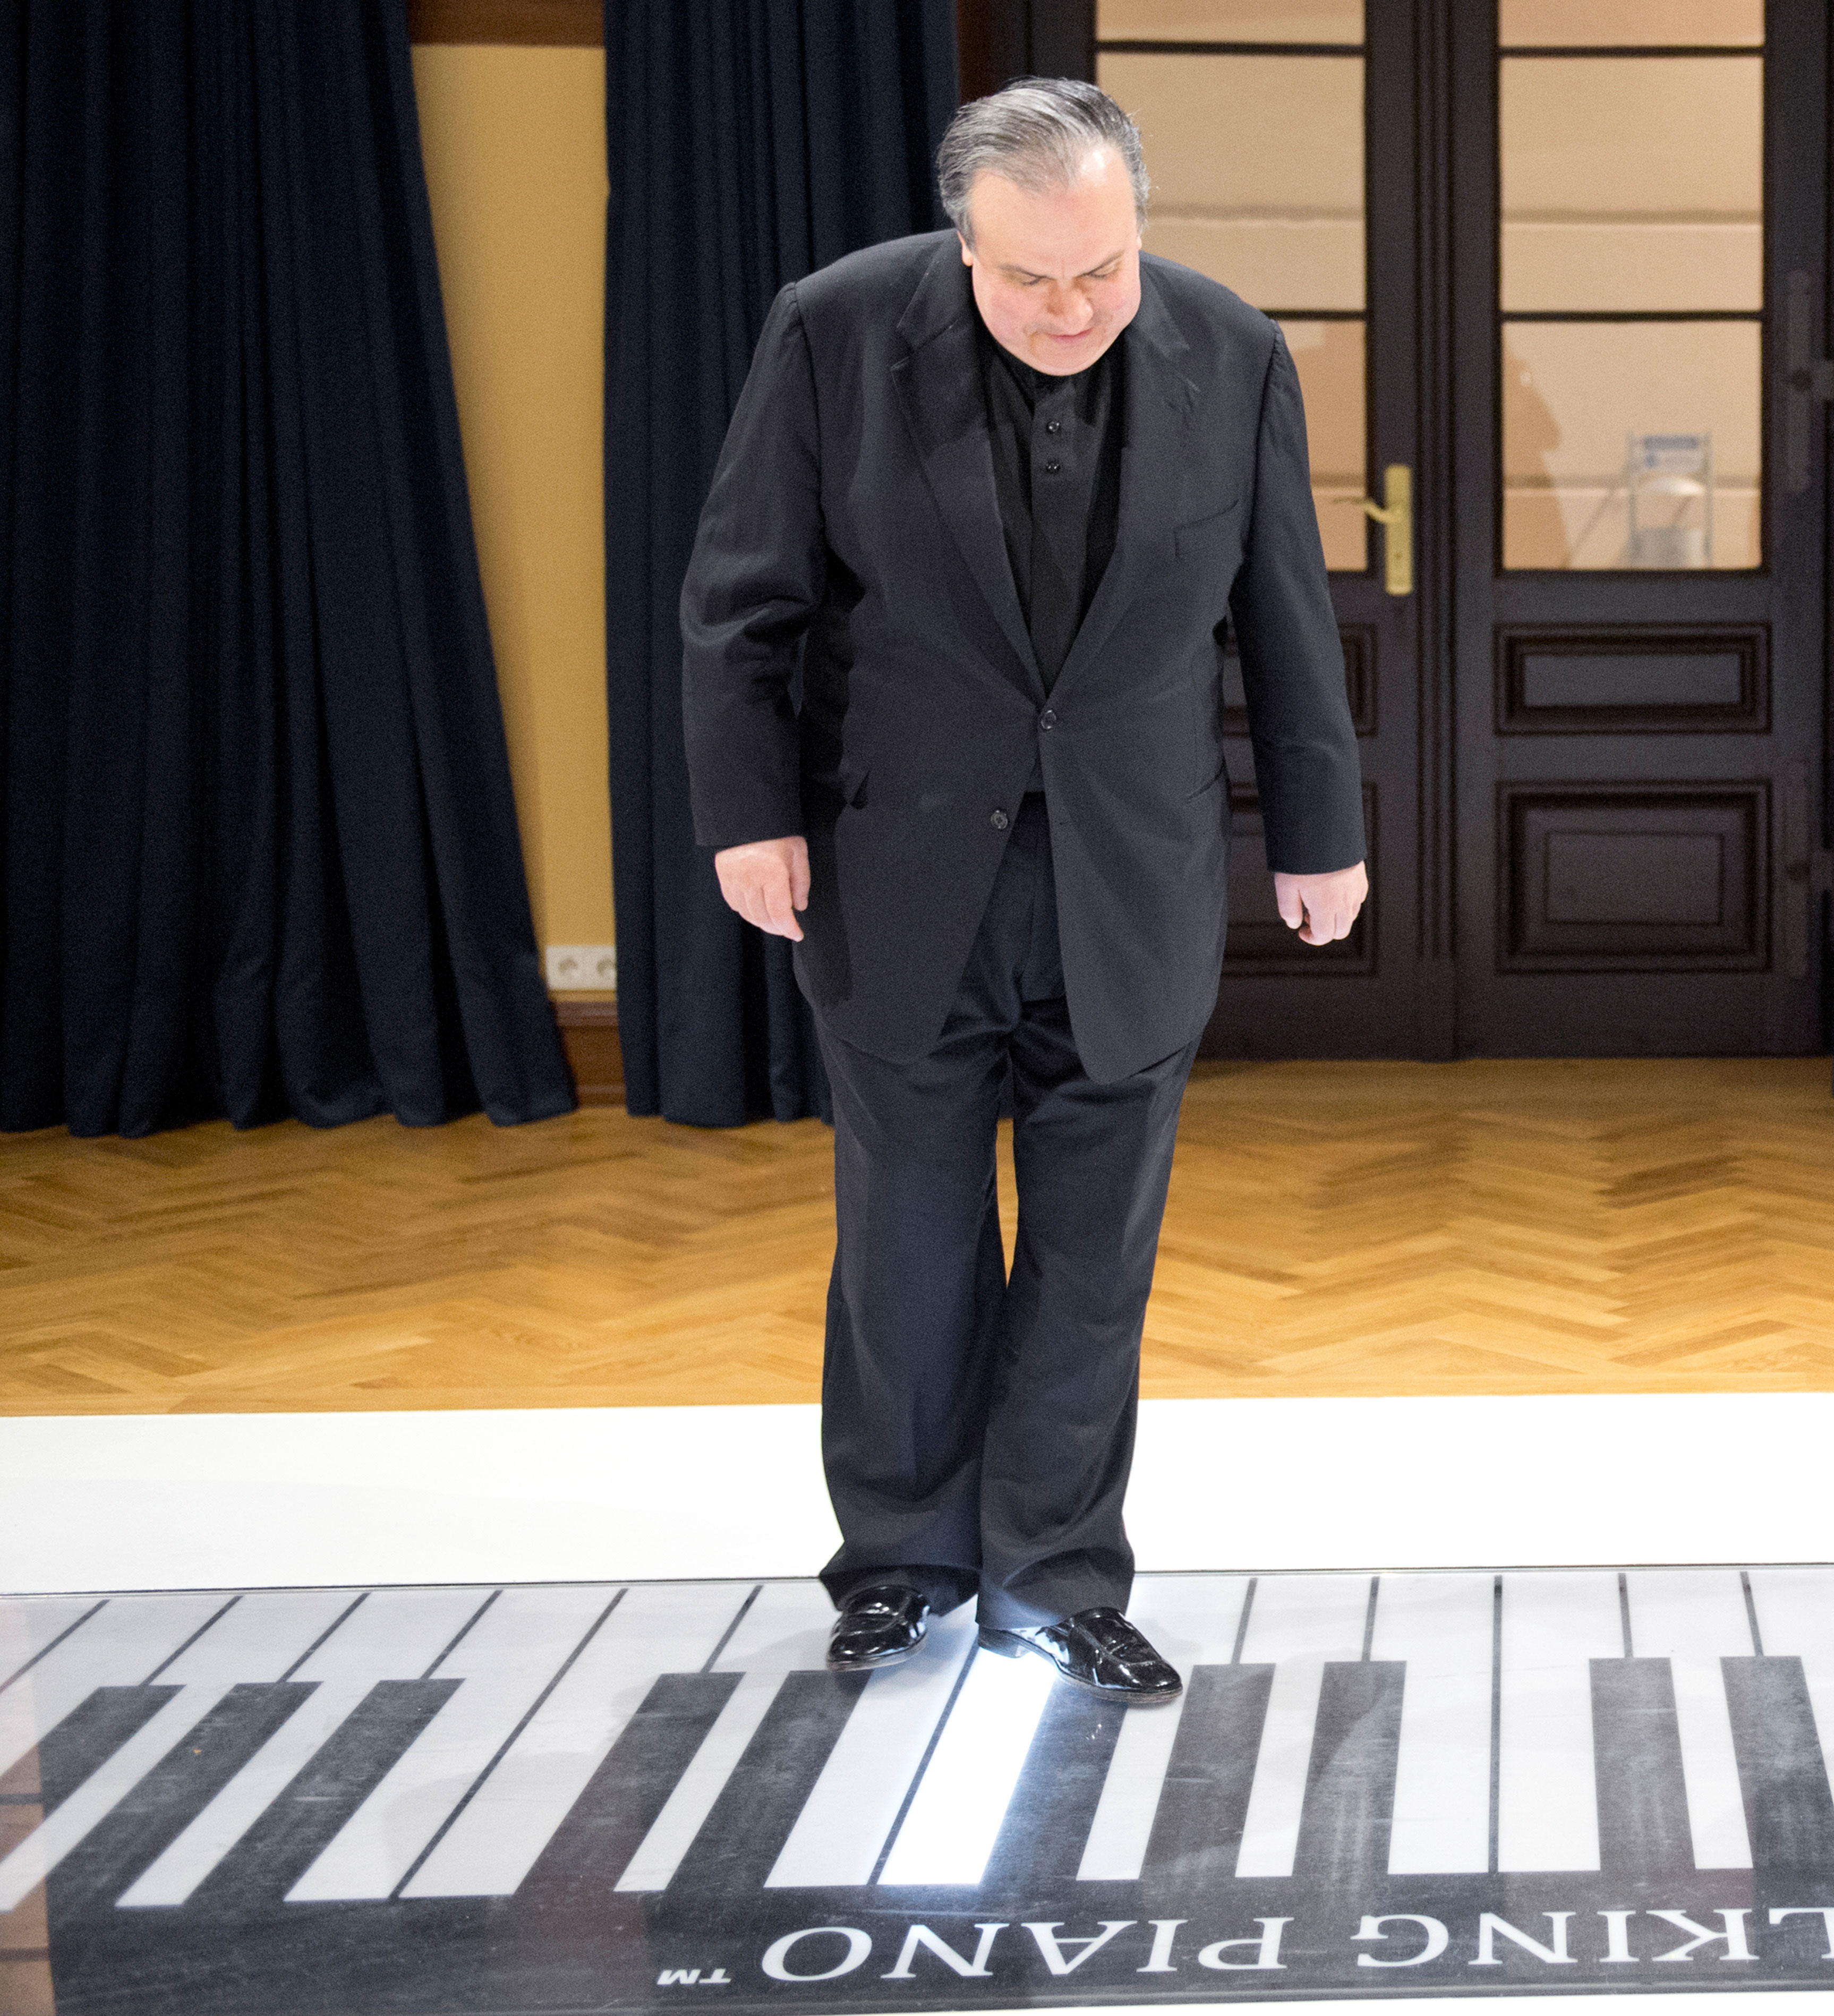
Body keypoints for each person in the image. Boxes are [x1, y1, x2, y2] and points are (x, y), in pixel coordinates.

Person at [681, 79, 1367, 1701]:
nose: (1070, 310)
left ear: (1139, 225)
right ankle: (906, 1565)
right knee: (905, 1246)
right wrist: (744, 816)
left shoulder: (1235, 351)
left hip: (1134, 877)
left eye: (1102, 271)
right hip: (891, 869)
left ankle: (1059, 1576)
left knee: (1092, 1253)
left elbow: (1284, 610)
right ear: (962, 239)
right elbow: (740, 602)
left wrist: (1319, 829)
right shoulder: (834, 331)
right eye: (1029, 279)